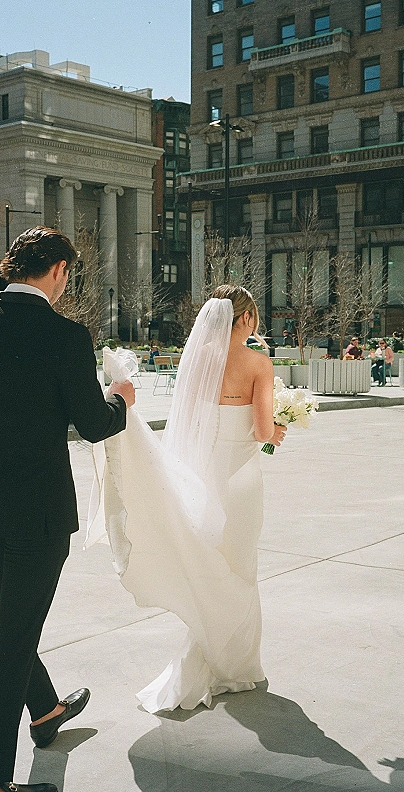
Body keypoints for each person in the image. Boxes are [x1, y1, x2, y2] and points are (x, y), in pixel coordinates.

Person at [0, 227, 134, 792]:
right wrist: (122, 399)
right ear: (59, 270)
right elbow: (94, 424)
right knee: (14, 639)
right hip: (39, 513)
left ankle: (44, 713)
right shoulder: (65, 335)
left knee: (12, 620)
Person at [90, 285, 286, 713]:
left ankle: (210, 657)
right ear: (247, 318)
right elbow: (263, 430)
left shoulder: (198, 365)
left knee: (209, 564)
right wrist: (281, 425)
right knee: (241, 565)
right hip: (241, 479)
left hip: (204, 476)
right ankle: (237, 666)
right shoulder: (258, 362)